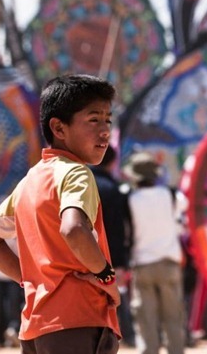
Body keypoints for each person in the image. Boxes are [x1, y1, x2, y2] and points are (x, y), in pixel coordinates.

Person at [0, 74, 120, 354]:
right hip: (79, 320)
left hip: (36, 327)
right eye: (93, 120)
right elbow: (73, 229)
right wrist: (106, 278)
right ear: (58, 128)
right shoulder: (77, 173)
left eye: (108, 120)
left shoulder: (31, 180)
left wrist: (33, 282)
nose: (105, 131)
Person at [124, 151, 186, 354]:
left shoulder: (130, 199)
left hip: (142, 263)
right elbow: (181, 215)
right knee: (173, 317)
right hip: (169, 262)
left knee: (146, 319)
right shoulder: (171, 195)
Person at [90, 146, 136, 347]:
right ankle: (121, 336)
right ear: (112, 162)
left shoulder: (81, 183)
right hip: (112, 255)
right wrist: (122, 258)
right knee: (116, 298)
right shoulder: (114, 189)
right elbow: (120, 228)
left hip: (83, 253)